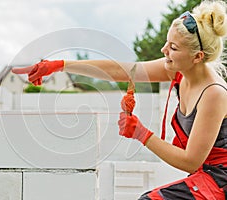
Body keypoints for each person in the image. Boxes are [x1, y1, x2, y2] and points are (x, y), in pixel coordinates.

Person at [12, 0, 227, 199]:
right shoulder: (178, 71)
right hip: (205, 176)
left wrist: (141, 133)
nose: (164, 51)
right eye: (166, 43)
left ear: (198, 57)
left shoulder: (214, 94)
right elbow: (122, 71)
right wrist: (59, 65)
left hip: (220, 180)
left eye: (173, 48)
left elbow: (190, 161)